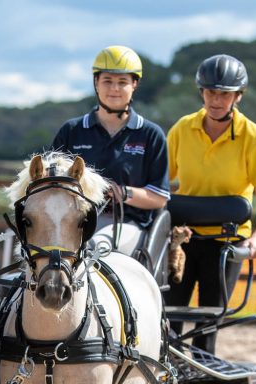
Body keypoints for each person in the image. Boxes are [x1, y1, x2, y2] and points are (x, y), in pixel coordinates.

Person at [164, 54, 256, 353]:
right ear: (201, 92)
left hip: (227, 240)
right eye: (211, 92)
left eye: (224, 94)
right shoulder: (182, 130)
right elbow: (161, 182)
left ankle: (203, 378)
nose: (216, 100)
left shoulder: (253, 137)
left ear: (237, 96)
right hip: (184, 238)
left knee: (209, 318)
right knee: (169, 314)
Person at [51, 46, 170, 258]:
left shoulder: (151, 135)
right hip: (74, 219)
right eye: (107, 81)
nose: (114, 88)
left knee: (95, 247)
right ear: (96, 83)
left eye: (122, 82)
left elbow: (159, 198)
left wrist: (122, 193)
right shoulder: (71, 131)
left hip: (127, 223)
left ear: (134, 84)